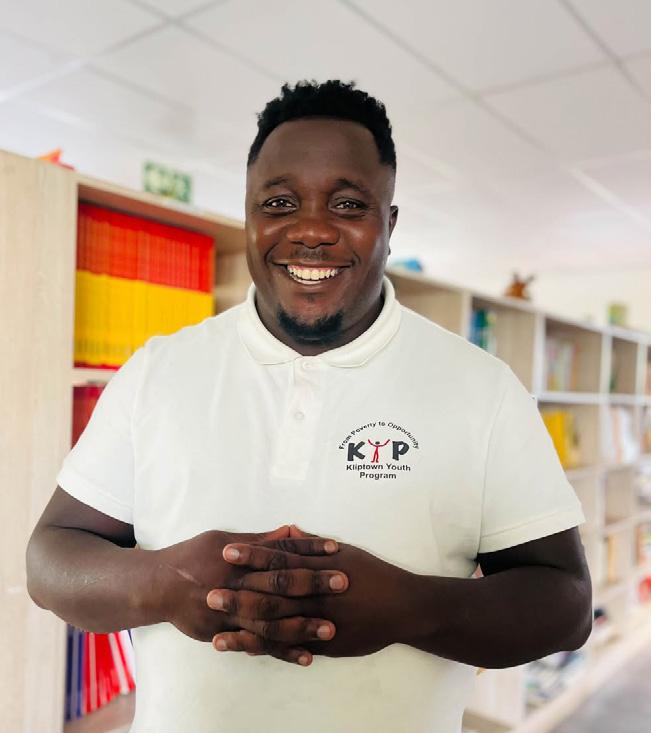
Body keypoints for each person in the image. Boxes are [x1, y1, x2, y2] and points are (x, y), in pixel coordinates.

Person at [26, 80, 591, 733]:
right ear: (248, 215)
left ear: (389, 224)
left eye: (348, 204)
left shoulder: (482, 389)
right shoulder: (158, 370)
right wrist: (165, 583)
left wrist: (409, 607)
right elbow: (50, 557)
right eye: (279, 202)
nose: (313, 230)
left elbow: (566, 604)